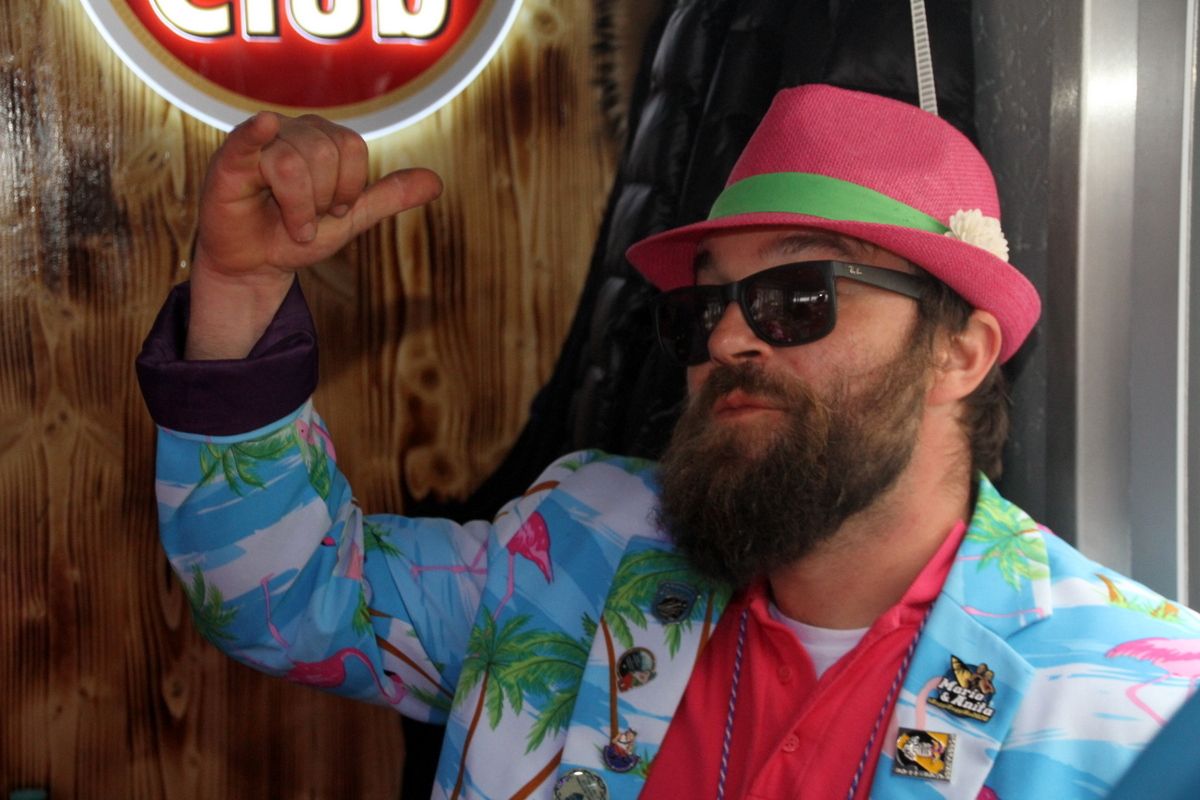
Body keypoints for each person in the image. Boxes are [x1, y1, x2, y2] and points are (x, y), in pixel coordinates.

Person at [136, 85, 1200, 799]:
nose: (728, 337)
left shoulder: (1140, 700)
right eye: (704, 308)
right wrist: (238, 289)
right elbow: (283, 596)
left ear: (959, 353)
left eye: (798, 294)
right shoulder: (577, 547)